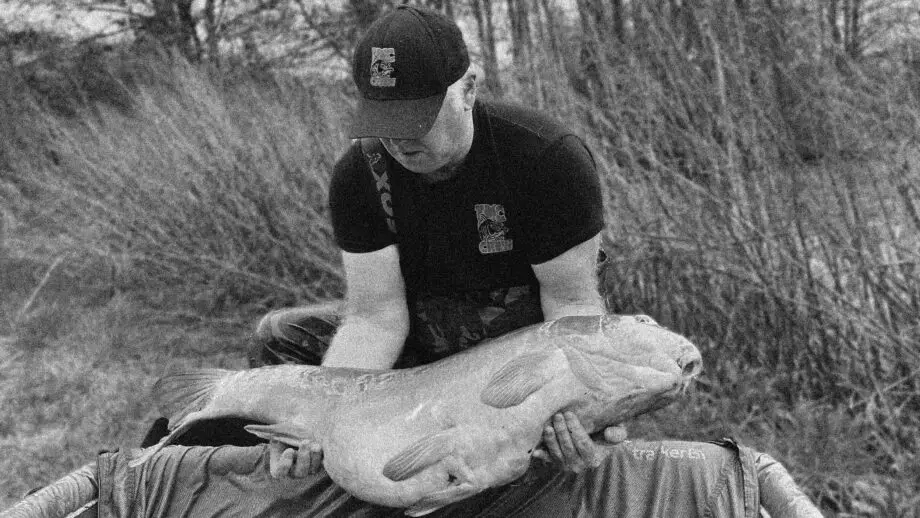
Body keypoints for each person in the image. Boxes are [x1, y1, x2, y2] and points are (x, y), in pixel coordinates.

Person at [127, 5, 821, 517]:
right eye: (383, 122)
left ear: (468, 85)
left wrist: (599, 421)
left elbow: (573, 315)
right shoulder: (361, 172)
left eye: (417, 121)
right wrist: (328, 419)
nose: (400, 144)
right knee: (280, 339)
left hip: (509, 340)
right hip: (420, 338)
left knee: (559, 413)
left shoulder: (544, 158)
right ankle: (212, 441)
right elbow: (374, 316)